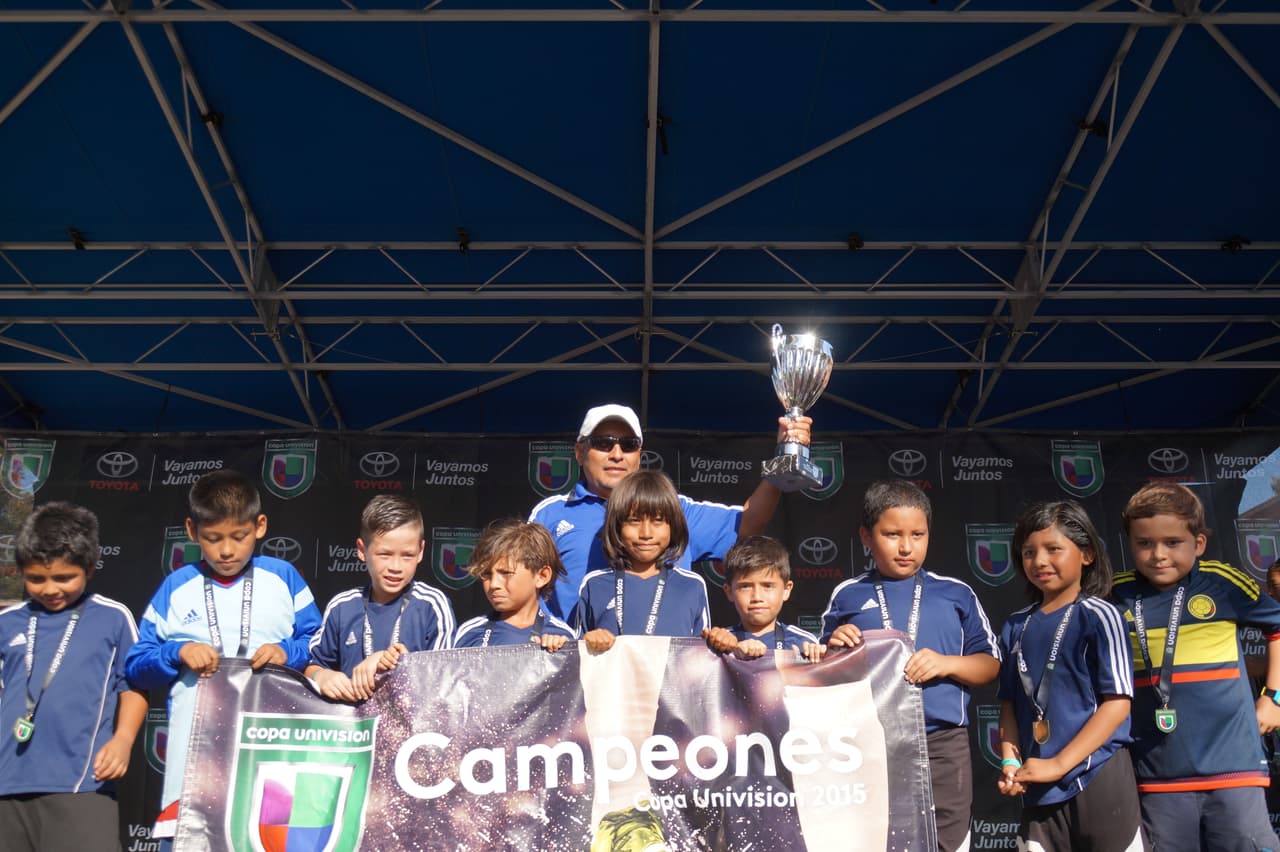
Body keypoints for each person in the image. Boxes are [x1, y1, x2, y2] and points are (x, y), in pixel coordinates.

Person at [124, 470, 322, 844]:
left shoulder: (283, 577)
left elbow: (318, 645)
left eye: (238, 536)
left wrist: (287, 652)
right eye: (213, 539)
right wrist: (176, 651)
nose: (226, 550)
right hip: (194, 754)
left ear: (260, 526)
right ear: (192, 531)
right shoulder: (177, 586)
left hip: (271, 751)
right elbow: (136, 666)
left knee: (266, 838)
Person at [820, 479, 1000, 852]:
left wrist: (946, 663)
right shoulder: (848, 594)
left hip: (942, 744)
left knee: (948, 842)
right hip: (868, 743)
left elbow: (990, 666)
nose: (906, 547)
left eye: (917, 534)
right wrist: (835, 648)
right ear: (866, 537)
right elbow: (819, 672)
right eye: (891, 534)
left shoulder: (956, 593)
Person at [529, 403, 812, 624]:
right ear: (580, 452)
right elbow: (523, 591)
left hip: (666, 672)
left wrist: (784, 457)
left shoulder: (674, 509)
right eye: (604, 443)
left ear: (639, 454)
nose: (617, 453)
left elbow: (750, 523)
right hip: (576, 670)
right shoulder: (551, 514)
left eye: (628, 445)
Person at [1111, 482, 1280, 851]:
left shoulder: (1222, 583)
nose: (1158, 555)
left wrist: (1275, 697)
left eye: (1173, 542)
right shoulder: (1116, 596)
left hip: (1234, 770)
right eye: (1144, 543)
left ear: (1199, 544)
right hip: (1157, 778)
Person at [995, 500, 1144, 851]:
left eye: (1053, 549)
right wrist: (1010, 761)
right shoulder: (1016, 625)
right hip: (1040, 787)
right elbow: (1008, 705)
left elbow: (1118, 704)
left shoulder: (1100, 615)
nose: (1039, 561)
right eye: (1029, 552)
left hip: (1099, 776)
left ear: (1087, 554)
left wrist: (1059, 763)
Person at [0, 502, 148, 852]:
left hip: (80, 782)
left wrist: (123, 741)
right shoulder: (8, 622)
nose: (50, 589)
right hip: (7, 782)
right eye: (36, 578)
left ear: (91, 568)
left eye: (64, 577)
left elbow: (134, 684)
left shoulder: (112, 617)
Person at [305, 495, 456, 701]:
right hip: (351, 728)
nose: (395, 567)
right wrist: (322, 676)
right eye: (384, 554)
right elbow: (312, 665)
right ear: (361, 550)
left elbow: (446, 679)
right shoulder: (342, 606)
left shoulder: (433, 605)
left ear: (421, 552)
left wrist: (398, 664)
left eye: (407, 555)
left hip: (412, 729)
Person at [576, 470, 717, 651]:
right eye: (634, 521)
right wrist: (589, 642)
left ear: (673, 526)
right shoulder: (594, 584)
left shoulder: (692, 585)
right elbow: (575, 659)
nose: (646, 534)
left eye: (658, 521)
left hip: (673, 680)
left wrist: (719, 642)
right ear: (617, 527)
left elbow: (702, 657)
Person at [454, 519, 576, 650]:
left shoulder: (562, 637)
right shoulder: (470, 634)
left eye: (506, 573)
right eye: (487, 574)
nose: (494, 584)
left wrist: (560, 652)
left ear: (542, 576)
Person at [708, 535, 823, 662]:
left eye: (768, 586)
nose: (757, 597)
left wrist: (815, 660)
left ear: (786, 590)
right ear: (729, 592)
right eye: (745, 586)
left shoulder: (805, 643)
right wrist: (728, 650)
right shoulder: (719, 643)